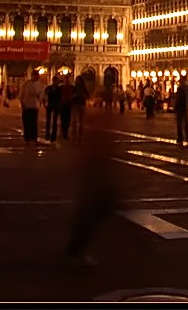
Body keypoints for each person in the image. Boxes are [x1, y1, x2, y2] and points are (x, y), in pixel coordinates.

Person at [65, 106, 121, 266]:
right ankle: (77, 248)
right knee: (94, 213)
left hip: (98, 180)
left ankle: (77, 247)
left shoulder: (97, 129)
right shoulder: (97, 132)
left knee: (93, 213)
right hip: (97, 181)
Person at [19, 70, 45, 145]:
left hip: (34, 106)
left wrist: (39, 98)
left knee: (33, 123)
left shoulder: (40, 85)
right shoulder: (26, 84)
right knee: (26, 122)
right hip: (26, 105)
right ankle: (27, 137)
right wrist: (22, 103)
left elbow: (41, 94)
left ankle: (34, 137)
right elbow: (21, 94)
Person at [174, 75, 188, 146]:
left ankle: (180, 139)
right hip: (186, 108)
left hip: (180, 107)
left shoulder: (180, 88)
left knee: (179, 124)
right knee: (186, 124)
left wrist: (175, 107)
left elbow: (178, 98)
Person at [71, 75, 90, 143]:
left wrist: (82, 96)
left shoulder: (79, 87)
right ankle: (75, 134)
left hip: (80, 104)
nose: (77, 81)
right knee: (76, 121)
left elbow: (88, 96)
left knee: (79, 121)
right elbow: (70, 96)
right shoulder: (75, 87)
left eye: (77, 80)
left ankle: (78, 134)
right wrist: (75, 95)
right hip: (76, 104)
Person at [44, 75, 63, 143]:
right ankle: (47, 135)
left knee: (54, 121)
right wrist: (44, 104)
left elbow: (61, 98)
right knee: (48, 121)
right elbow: (45, 96)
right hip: (50, 105)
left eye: (56, 81)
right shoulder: (48, 88)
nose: (56, 82)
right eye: (55, 81)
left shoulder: (59, 89)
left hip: (56, 106)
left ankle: (53, 136)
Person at [59, 75, 75, 140]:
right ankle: (63, 134)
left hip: (68, 104)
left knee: (68, 120)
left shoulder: (72, 87)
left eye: (67, 80)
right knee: (63, 120)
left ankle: (65, 134)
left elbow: (75, 94)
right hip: (62, 104)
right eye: (65, 80)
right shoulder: (60, 87)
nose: (67, 81)